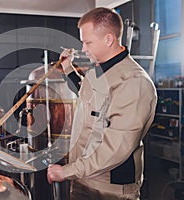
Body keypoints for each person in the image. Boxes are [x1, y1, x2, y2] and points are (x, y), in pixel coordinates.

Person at [47, 7, 157, 200]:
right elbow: (89, 96)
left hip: (109, 187)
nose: (83, 49)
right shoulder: (99, 69)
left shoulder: (133, 82)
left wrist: (68, 171)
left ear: (109, 39)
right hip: (84, 178)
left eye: (88, 42)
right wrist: (68, 69)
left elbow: (116, 148)